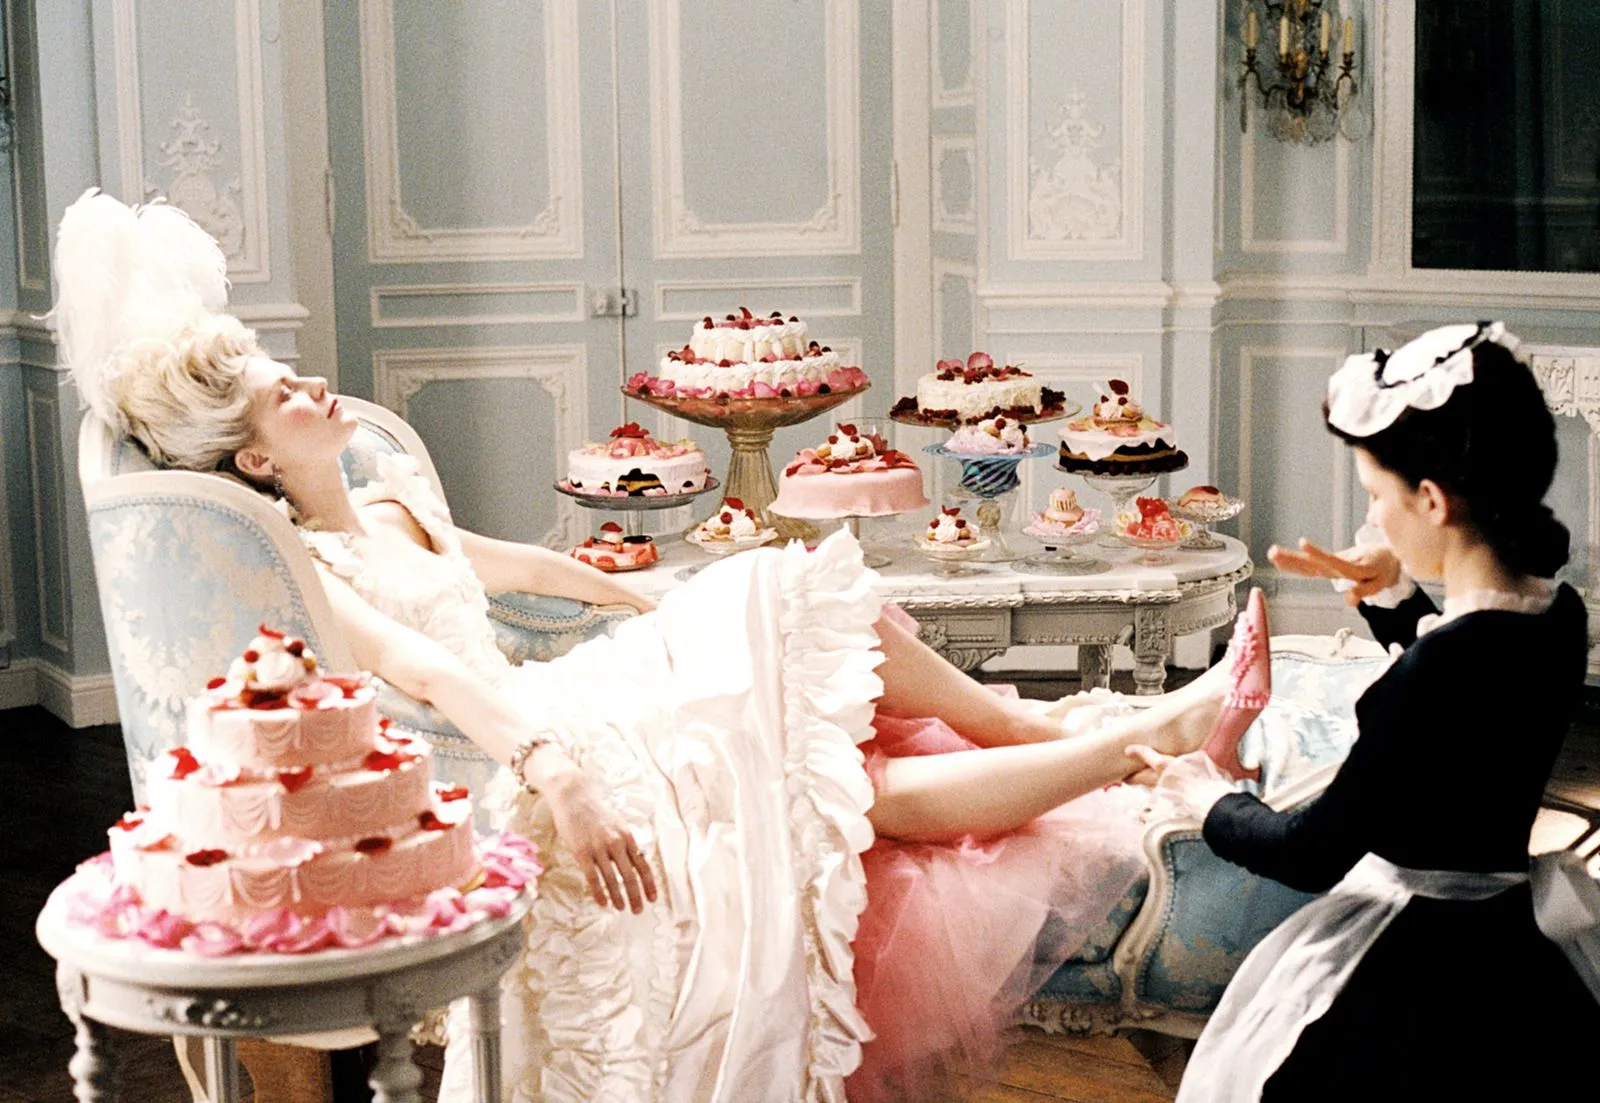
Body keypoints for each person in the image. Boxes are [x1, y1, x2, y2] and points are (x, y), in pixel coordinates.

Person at [52, 190, 1265, 1102]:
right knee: (846, 793)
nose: (316, 384)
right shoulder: (312, 570)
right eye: (284, 394)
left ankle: (1059, 727)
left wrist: (660, 607)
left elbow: (534, 570)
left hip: (582, 682)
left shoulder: (383, 497)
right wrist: (559, 774)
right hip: (531, 744)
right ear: (256, 459)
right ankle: (1127, 737)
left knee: (790, 607)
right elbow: (431, 672)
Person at [1129, 322, 1600, 1102]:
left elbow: (1310, 850)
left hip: (1415, 972)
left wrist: (1208, 796)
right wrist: (1394, 593)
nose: (1375, 519)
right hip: (1507, 939)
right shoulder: (1561, 616)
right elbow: (1472, 685)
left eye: (1379, 496)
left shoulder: (1430, 675)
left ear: (1432, 499)